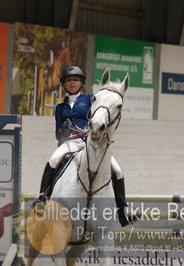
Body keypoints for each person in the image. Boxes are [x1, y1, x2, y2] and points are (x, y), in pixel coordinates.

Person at [33, 66, 138, 227]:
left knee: (117, 170)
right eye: (69, 80)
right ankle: (42, 198)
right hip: (69, 143)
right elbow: (57, 131)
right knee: (54, 159)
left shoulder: (90, 99)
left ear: (81, 83)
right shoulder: (60, 108)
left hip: (87, 142)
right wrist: (65, 132)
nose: (72, 83)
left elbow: (99, 113)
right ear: (64, 85)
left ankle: (123, 211)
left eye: (75, 80)